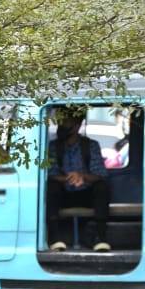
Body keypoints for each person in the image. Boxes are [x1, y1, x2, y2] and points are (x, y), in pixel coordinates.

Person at [46, 107, 112, 252]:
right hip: (64, 193)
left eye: (65, 122)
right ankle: (55, 239)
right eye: (60, 122)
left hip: (85, 193)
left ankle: (101, 238)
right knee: (51, 187)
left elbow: (100, 174)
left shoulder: (91, 145)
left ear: (76, 126)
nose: (61, 126)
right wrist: (69, 178)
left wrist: (82, 176)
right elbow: (51, 173)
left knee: (102, 187)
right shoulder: (53, 147)